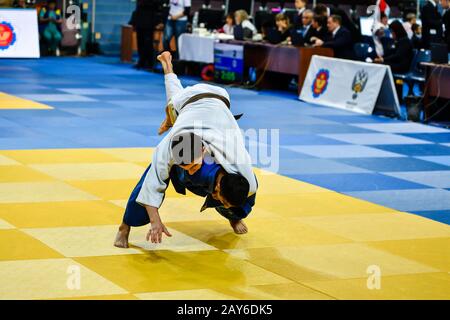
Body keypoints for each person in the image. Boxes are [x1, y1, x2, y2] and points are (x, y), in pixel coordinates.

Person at [114, 52, 258, 247]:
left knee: (240, 198)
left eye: (192, 166)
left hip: (219, 99)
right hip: (188, 103)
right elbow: (152, 183)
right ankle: (124, 226)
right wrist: (155, 221)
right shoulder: (168, 145)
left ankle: (233, 216)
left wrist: (232, 206)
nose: (190, 170)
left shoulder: (236, 155)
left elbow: (244, 190)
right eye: (187, 167)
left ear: (203, 150)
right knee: (175, 104)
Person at [130, 0, 164, 70]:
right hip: (140, 20)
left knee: (148, 43)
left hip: (149, 21)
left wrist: (159, 21)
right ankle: (141, 61)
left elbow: (158, 5)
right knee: (140, 42)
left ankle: (149, 63)